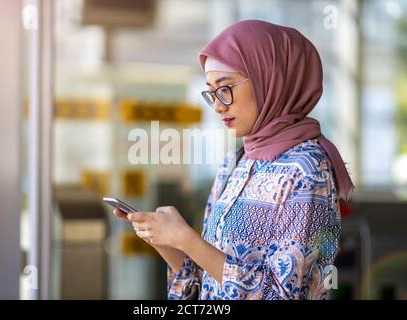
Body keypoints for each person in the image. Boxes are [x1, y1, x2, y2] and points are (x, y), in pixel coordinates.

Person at [113, 20, 354, 300]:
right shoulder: (235, 163)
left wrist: (187, 239)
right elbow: (204, 282)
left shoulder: (307, 169)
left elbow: (284, 294)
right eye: (211, 92)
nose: (217, 105)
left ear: (270, 79)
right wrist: (164, 239)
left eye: (225, 88)